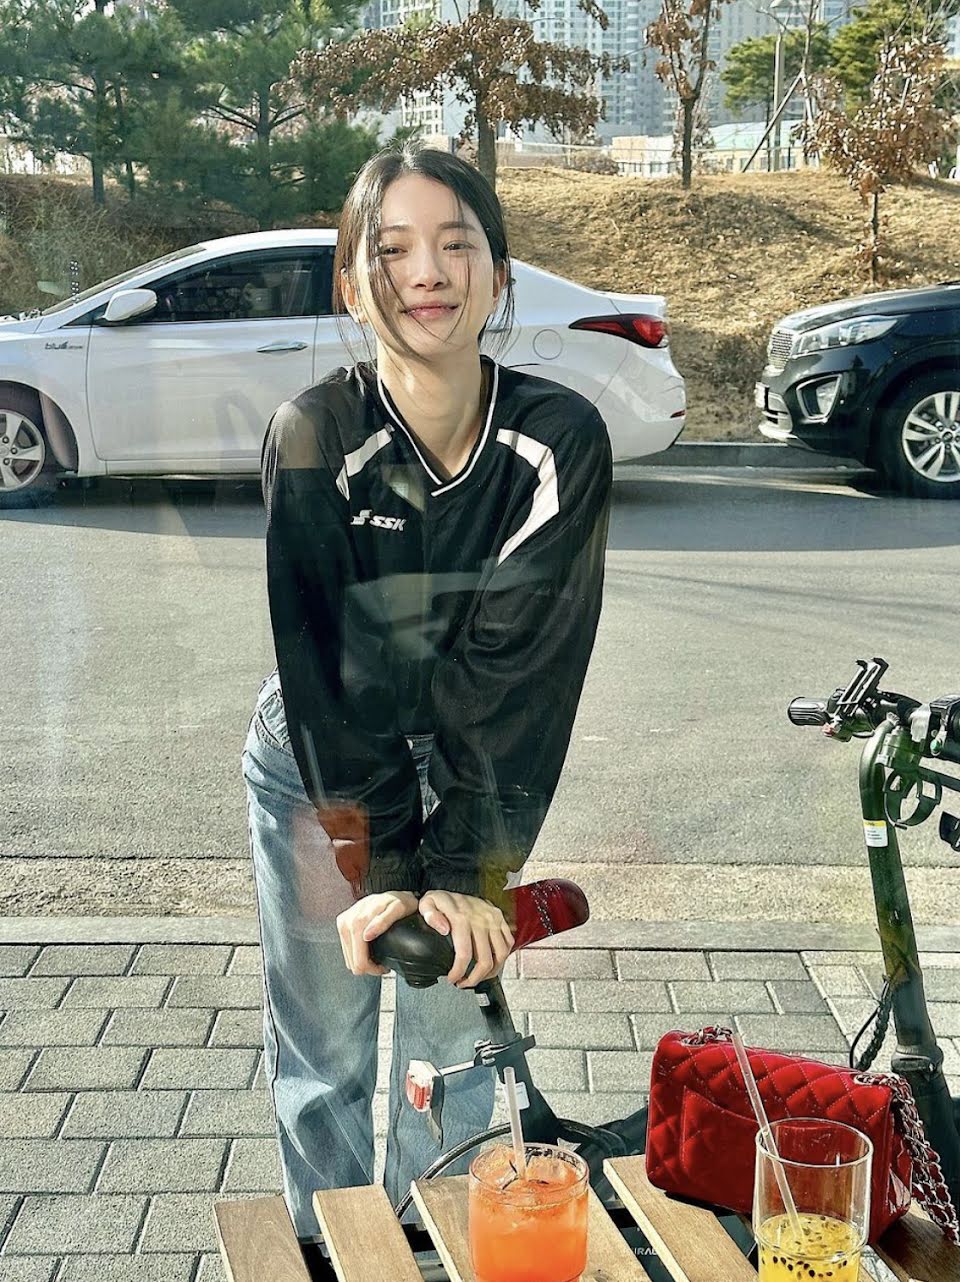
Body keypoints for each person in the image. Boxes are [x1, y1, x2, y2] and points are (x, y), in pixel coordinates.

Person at [242, 143, 612, 1242]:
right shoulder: (314, 433)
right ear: (352, 284)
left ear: (500, 275)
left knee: (451, 1050)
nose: (428, 273)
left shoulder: (558, 438)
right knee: (325, 1047)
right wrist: (384, 868)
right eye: (392, 248)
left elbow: (519, 670)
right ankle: (332, 1248)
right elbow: (328, 664)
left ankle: (429, 1248)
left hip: (475, 762)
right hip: (320, 765)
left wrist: (456, 873)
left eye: (457, 245)